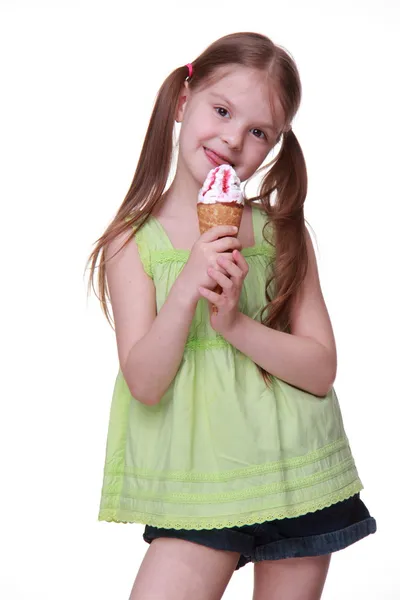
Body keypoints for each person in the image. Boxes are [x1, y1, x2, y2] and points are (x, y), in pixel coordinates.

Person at [87, 32, 376, 600]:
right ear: (182, 102)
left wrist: (234, 326)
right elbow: (144, 383)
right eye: (221, 110)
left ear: (274, 145)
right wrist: (187, 286)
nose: (232, 138)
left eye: (258, 132)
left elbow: (320, 369)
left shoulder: (281, 233)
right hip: (199, 484)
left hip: (297, 473)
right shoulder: (132, 244)